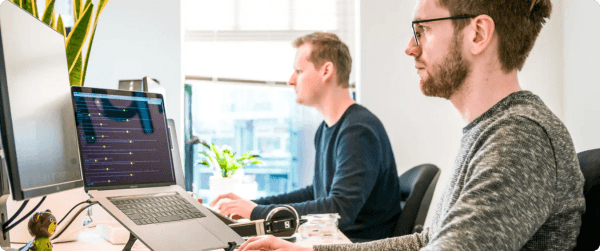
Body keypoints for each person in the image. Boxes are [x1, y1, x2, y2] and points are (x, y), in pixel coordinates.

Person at [238, 0, 586, 250]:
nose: (409, 47)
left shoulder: (519, 138)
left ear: (478, 33)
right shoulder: (491, 130)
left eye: (422, 31)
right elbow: (428, 240)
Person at [210, 32, 402, 241]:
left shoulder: (358, 131)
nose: (291, 80)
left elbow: (339, 211)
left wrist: (256, 213)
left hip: (356, 243)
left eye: (299, 71)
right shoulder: (327, 129)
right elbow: (316, 193)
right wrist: (254, 205)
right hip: (333, 239)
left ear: (326, 71)